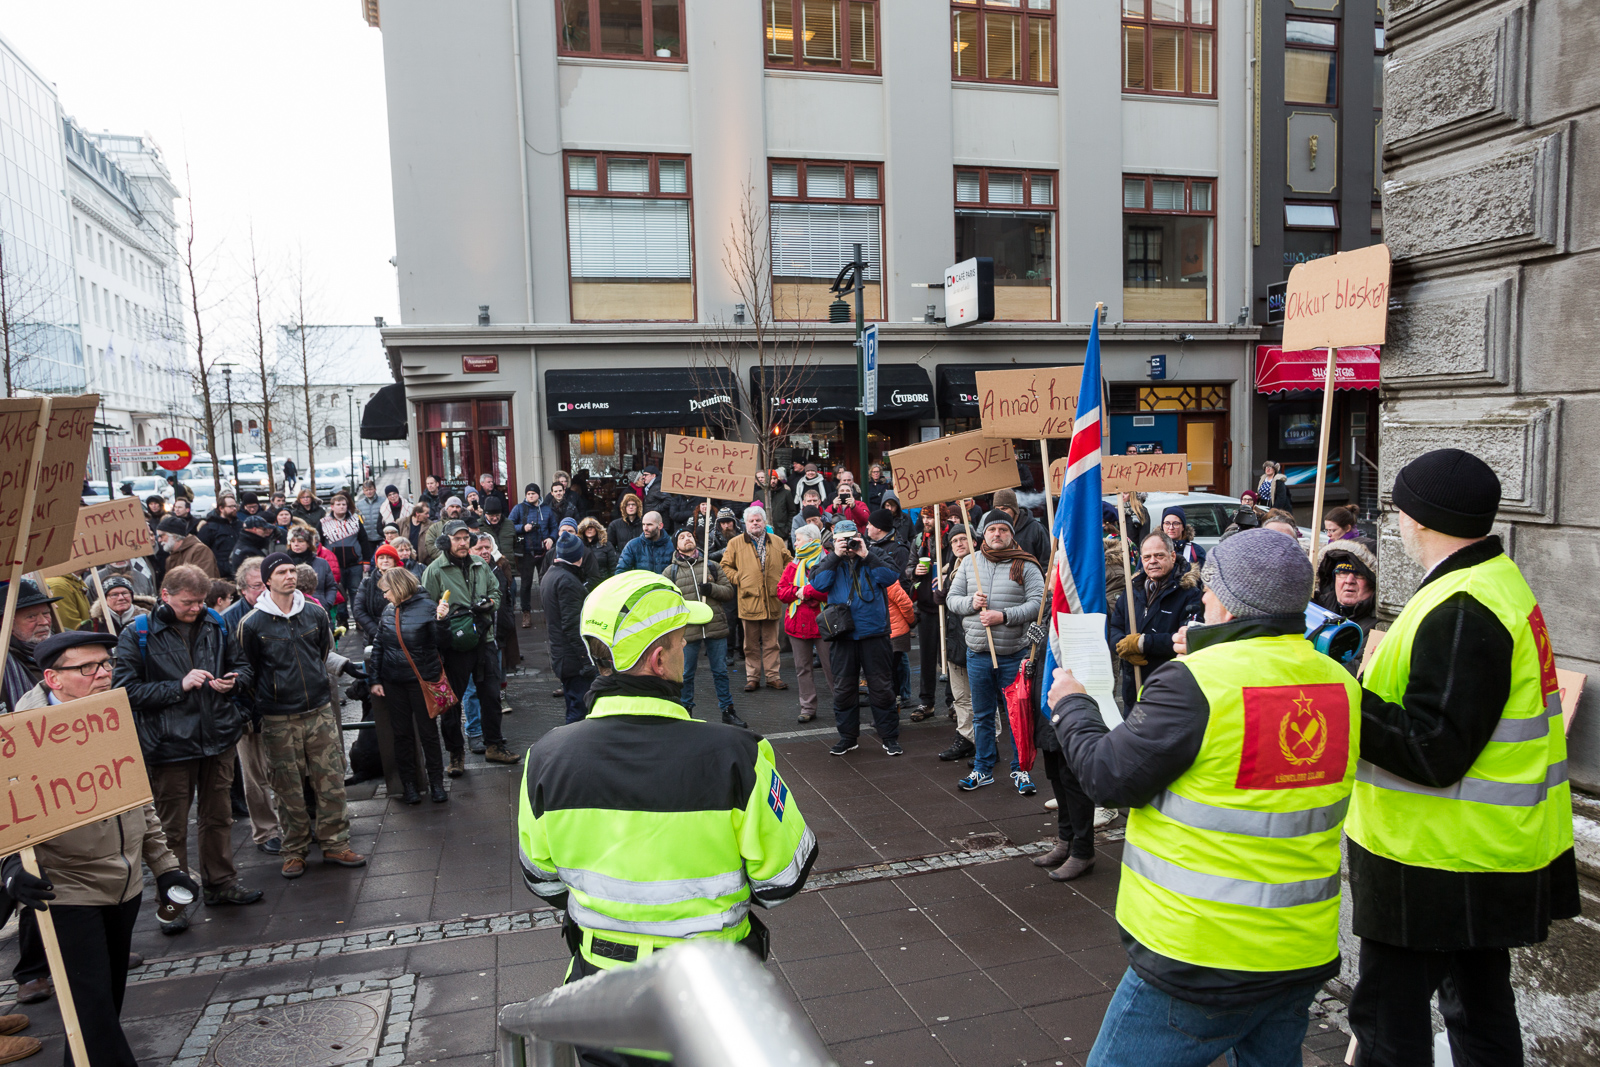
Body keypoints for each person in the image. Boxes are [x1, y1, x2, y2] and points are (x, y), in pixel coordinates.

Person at [1047, 529, 1361, 1065]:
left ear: (1225, 599)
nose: (1204, 598)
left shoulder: (1195, 682)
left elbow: (1106, 778)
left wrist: (1073, 706)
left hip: (1203, 950)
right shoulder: (1340, 682)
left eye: (1210, 588)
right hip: (1297, 946)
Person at [516, 571, 817, 1066]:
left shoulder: (544, 758)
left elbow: (543, 881)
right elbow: (782, 881)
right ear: (659, 659)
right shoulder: (738, 755)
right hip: (714, 1000)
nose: (685, 651)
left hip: (600, 998)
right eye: (681, 641)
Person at [1343, 449, 1576, 1066]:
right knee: (1478, 1011)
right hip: (1470, 849)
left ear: (1415, 519)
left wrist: (1339, 697)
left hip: (1435, 858)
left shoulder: (1464, 604)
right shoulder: (1487, 584)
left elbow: (1432, 748)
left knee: (1389, 1026)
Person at [6, 631, 199, 1067]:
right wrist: (11, 867)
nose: (102, 674)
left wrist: (165, 868)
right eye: (87, 668)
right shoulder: (20, 735)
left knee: (105, 1002)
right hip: (66, 889)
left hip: (123, 882)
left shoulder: (109, 714)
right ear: (53, 678)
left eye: (106, 664)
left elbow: (136, 799)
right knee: (91, 1007)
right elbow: (8, 813)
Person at [112, 564, 262, 925]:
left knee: (218, 817)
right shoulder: (138, 634)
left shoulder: (216, 622)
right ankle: (173, 904)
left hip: (217, 736)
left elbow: (243, 665)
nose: (196, 608)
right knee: (170, 830)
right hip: (169, 744)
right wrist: (178, 686)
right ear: (165, 596)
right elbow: (124, 691)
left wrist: (235, 680)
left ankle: (221, 883)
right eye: (188, 603)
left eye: (200, 601)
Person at [237, 553, 367, 879]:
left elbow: (322, 653)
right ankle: (294, 850)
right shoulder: (253, 624)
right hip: (279, 718)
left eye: (292, 570)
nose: (289, 576)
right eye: (281, 572)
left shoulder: (314, 612)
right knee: (287, 788)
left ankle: (336, 842)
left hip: (319, 710)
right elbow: (249, 670)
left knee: (331, 781)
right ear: (268, 580)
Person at [947, 510, 1045, 794]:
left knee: (1018, 714)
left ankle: (1021, 770)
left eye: (1003, 529)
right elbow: (953, 600)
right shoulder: (970, 563)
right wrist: (971, 603)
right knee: (982, 714)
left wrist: (1004, 616)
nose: (997, 534)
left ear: (1011, 534)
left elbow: (1038, 604)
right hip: (977, 652)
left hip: (1014, 653)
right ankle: (983, 768)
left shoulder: (1025, 564)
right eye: (992, 530)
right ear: (983, 534)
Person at [423, 520, 518, 769]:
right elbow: (426, 607)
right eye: (457, 538)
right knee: (452, 703)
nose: (463, 542)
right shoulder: (435, 570)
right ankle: (456, 755)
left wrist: (490, 603)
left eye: (466, 538)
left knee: (490, 696)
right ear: (446, 541)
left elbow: (497, 592)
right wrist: (441, 615)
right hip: (455, 646)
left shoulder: (480, 564)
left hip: (484, 640)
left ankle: (494, 745)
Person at [808, 519, 902, 757]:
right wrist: (835, 556)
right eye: (842, 540)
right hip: (843, 635)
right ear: (834, 541)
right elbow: (818, 583)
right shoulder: (828, 559)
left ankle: (889, 737)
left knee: (881, 687)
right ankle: (848, 738)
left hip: (875, 632)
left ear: (859, 536)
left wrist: (866, 554)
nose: (848, 544)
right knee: (844, 689)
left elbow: (890, 577)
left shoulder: (875, 553)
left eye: (851, 538)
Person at [368, 567, 450, 803]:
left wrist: (443, 621)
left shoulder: (428, 608)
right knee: (401, 735)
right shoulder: (388, 610)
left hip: (421, 681)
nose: (384, 596)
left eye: (386, 591)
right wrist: (375, 679)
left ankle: (436, 784)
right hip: (394, 683)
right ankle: (409, 785)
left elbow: (444, 643)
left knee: (429, 734)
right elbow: (379, 645)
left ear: (398, 588)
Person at [219, 558, 283, 857]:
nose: (264, 590)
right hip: (249, 707)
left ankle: (292, 823)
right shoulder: (230, 620)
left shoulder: (284, 608)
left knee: (284, 769)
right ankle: (266, 831)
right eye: (258, 585)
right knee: (255, 775)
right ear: (243, 589)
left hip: (282, 704)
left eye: (266, 583)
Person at [1107, 532, 1206, 708]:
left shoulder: (1190, 593)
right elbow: (1115, 626)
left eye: (1159, 555)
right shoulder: (1132, 590)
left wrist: (1143, 643)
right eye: (1147, 557)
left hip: (1170, 689)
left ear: (1172, 556)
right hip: (1133, 688)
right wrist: (1123, 646)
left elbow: (1188, 638)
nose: (1152, 561)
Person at [660, 528, 742, 726]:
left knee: (720, 671)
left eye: (689, 535)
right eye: (681, 537)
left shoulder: (711, 566)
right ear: (676, 545)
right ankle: (686, 710)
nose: (687, 538)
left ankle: (727, 710)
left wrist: (711, 589)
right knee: (686, 673)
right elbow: (665, 601)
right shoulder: (670, 572)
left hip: (715, 627)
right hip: (687, 631)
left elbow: (728, 592)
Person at [719, 506, 792, 694]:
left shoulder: (776, 541)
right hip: (748, 600)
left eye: (758, 520)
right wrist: (739, 579)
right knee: (750, 645)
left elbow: (789, 563)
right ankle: (752, 678)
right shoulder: (735, 543)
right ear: (746, 523)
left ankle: (773, 677)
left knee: (772, 642)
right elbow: (725, 566)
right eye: (751, 521)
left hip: (772, 599)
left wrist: (781, 579)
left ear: (764, 522)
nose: (755, 523)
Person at [934, 527, 983, 763]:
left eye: (964, 538)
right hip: (955, 640)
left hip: (975, 639)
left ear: (974, 542)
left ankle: (987, 742)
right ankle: (966, 737)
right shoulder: (950, 568)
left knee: (982, 696)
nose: (959, 543)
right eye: (954, 540)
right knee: (961, 696)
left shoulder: (981, 566)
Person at [779, 524, 834, 725]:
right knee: (802, 668)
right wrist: (799, 591)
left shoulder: (828, 561)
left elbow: (830, 591)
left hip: (824, 623)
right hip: (798, 624)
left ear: (811, 541)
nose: (795, 543)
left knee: (832, 667)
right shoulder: (794, 564)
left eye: (798, 539)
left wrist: (809, 593)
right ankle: (807, 707)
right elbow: (781, 591)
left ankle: (842, 704)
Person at [540, 532, 594, 725]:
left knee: (575, 706)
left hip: (562, 656)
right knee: (579, 710)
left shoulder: (551, 575)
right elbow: (572, 625)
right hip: (572, 660)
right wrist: (586, 659)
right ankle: (574, 751)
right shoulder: (567, 581)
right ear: (578, 557)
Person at [1314, 539, 1379, 663]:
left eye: (1359, 574)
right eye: (1342, 573)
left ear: (1372, 582)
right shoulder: (1315, 608)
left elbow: (1358, 672)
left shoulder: (1379, 626)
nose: (1349, 580)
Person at [510, 483, 554, 625]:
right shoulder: (519, 508)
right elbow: (509, 526)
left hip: (544, 552)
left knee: (546, 583)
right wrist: (523, 527)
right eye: (528, 494)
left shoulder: (547, 509)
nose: (531, 496)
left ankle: (548, 612)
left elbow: (554, 527)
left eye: (533, 494)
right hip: (526, 552)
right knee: (526, 584)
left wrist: (551, 538)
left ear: (538, 495)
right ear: (525, 495)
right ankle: (526, 613)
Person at [321, 493, 366, 623]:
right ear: (332, 507)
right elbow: (319, 542)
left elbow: (363, 540)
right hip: (333, 565)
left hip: (355, 563)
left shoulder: (355, 521)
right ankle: (342, 619)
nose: (341, 507)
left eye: (344, 505)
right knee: (338, 592)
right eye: (338, 505)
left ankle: (359, 619)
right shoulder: (324, 523)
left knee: (356, 592)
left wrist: (366, 561)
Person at [284, 526, 339, 612]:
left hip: (319, 608)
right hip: (290, 609)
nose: (296, 544)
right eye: (293, 541)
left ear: (309, 543)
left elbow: (331, 586)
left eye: (300, 541)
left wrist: (327, 603)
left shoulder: (322, 563)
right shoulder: (283, 564)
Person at [990, 489, 1049, 566]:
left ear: (1014, 509)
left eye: (1004, 509)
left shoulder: (1035, 529)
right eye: (997, 509)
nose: (1000, 513)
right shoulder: (992, 531)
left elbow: (1047, 561)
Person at [79, 575, 151, 634]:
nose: (121, 598)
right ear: (105, 599)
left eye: (125, 593)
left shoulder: (149, 619)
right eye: (114, 594)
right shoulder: (93, 626)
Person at [196, 494, 243, 579]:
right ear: (221, 508)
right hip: (220, 574)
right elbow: (201, 551)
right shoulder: (209, 528)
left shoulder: (240, 525)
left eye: (235, 506)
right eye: (230, 506)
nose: (234, 509)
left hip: (239, 571)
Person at [614, 510, 673, 575]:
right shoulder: (633, 545)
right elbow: (621, 572)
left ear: (660, 526)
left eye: (649, 524)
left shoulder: (673, 545)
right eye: (643, 524)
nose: (645, 528)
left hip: (665, 584)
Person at [575, 518, 616, 591]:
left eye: (592, 527)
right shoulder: (579, 546)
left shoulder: (606, 545)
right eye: (586, 527)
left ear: (597, 529)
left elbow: (613, 567)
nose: (589, 529)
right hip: (585, 586)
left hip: (604, 585)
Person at [422, 496, 466, 563]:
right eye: (452, 506)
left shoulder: (467, 525)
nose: (455, 509)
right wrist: (447, 558)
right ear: (446, 509)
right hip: (442, 564)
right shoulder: (434, 527)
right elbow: (430, 545)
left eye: (457, 507)